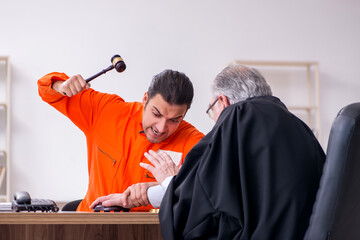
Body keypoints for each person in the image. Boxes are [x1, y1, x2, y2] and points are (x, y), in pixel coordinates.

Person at [100, 64, 325, 239]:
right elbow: (219, 191)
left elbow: (197, 215)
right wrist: (138, 197)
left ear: (222, 102)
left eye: (211, 110)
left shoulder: (236, 119)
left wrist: (169, 179)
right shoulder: (299, 128)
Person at [37, 69, 204, 212]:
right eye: (156, 114)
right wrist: (61, 86)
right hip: (89, 227)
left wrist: (158, 189)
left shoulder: (194, 142)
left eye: (174, 120)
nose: (161, 128)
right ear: (145, 99)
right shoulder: (105, 111)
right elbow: (45, 89)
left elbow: (209, 190)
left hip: (145, 233)